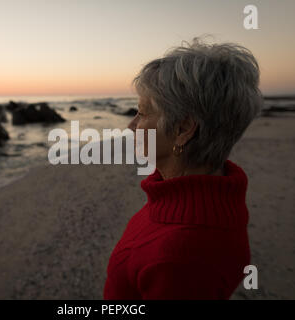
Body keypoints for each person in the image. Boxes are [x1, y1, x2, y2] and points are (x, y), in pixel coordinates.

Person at [104, 38, 263, 299]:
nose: (131, 125)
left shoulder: (182, 257)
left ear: (183, 129)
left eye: (142, 113)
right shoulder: (194, 195)